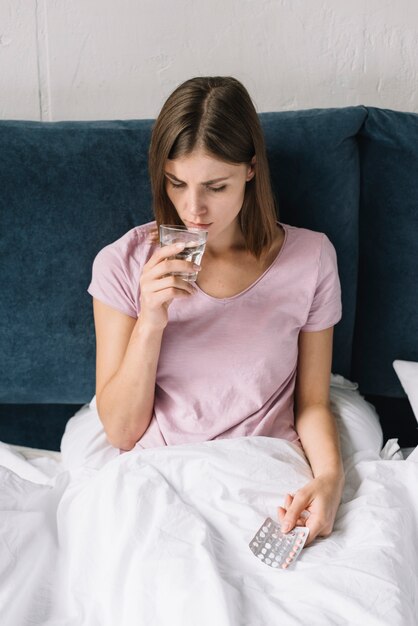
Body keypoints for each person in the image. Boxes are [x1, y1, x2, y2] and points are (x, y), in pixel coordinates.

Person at [72, 76, 345, 546]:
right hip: (161, 475)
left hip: (262, 471)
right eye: (177, 183)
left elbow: (313, 402)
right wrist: (151, 321)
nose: (192, 208)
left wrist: (331, 480)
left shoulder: (312, 258)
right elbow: (120, 431)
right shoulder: (123, 262)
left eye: (215, 186)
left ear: (251, 170)